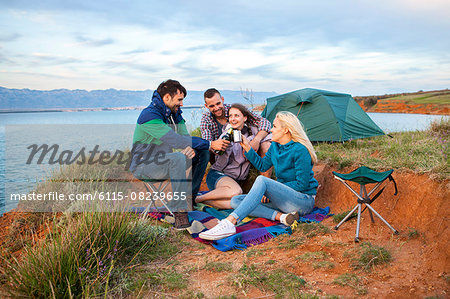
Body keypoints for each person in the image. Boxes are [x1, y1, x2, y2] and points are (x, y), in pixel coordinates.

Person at [199, 111, 319, 240]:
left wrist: (272, 190)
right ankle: (282, 217)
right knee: (236, 200)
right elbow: (262, 166)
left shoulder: (300, 150)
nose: (271, 130)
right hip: (285, 202)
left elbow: (302, 184)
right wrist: (246, 147)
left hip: (302, 201)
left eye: (274, 126)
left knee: (262, 180)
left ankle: (230, 222)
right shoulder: (275, 147)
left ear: (286, 130)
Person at [129, 79, 229, 229]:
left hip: (163, 162)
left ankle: (190, 198)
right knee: (178, 157)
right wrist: (209, 144)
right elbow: (175, 140)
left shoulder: (173, 113)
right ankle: (180, 212)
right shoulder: (149, 116)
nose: (181, 104)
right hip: (144, 166)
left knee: (202, 152)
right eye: (179, 100)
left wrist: (191, 147)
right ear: (167, 98)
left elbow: (183, 135)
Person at [195, 103, 272, 209]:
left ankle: (207, 201)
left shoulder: (253, 132)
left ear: (245, 118)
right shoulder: (226, 135)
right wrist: (222, 147)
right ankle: (197, 198)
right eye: (230, 116)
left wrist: (255, 142)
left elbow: (269, 135)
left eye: (236, 115)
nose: (233, 119)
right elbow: (218, 155)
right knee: (236, 192)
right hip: (218, 175)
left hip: (237, 180)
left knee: (238, 203)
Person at [200, 88, 272, 165]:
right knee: (203, 152)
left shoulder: (235, 109)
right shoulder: (206, 120)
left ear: (223, 99)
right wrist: (215, 145)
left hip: (245, 149)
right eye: (212, 106)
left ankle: (264, 176)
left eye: (218, 103)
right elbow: (207, 142)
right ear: (206, 106)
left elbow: (264, 122)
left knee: (266, 146)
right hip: (223, 156)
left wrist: (256, 140)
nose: (217, 108)